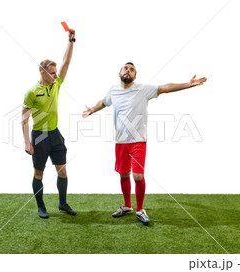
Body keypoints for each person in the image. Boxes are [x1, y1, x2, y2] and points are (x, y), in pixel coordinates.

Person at [82, 62, 207, 225]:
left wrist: (187, 84)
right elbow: (103, 102)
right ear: (119, 73)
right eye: (125, 68)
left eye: (132, 70)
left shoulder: (142, 90)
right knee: (124, 174)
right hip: (120, 141)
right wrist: (92, 109)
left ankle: (140, 209)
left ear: (135, 76)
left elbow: (164, 87)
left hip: (138, 141)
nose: (128, 70)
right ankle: (127, 206)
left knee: (138, 175)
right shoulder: (113, 90)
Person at [21, 28, 77, 219]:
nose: (55, 76)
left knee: (62, 171)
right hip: (40, 135)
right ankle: (41, 207)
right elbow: (24, 119)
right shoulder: (31, 92)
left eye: (55, 73)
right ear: (42, 72)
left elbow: (66, 62)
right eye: (52, 73)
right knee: (39, 174)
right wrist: (27, 142)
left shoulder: (56, 85)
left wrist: (71, 40)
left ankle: (62, 203)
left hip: (55, 134)